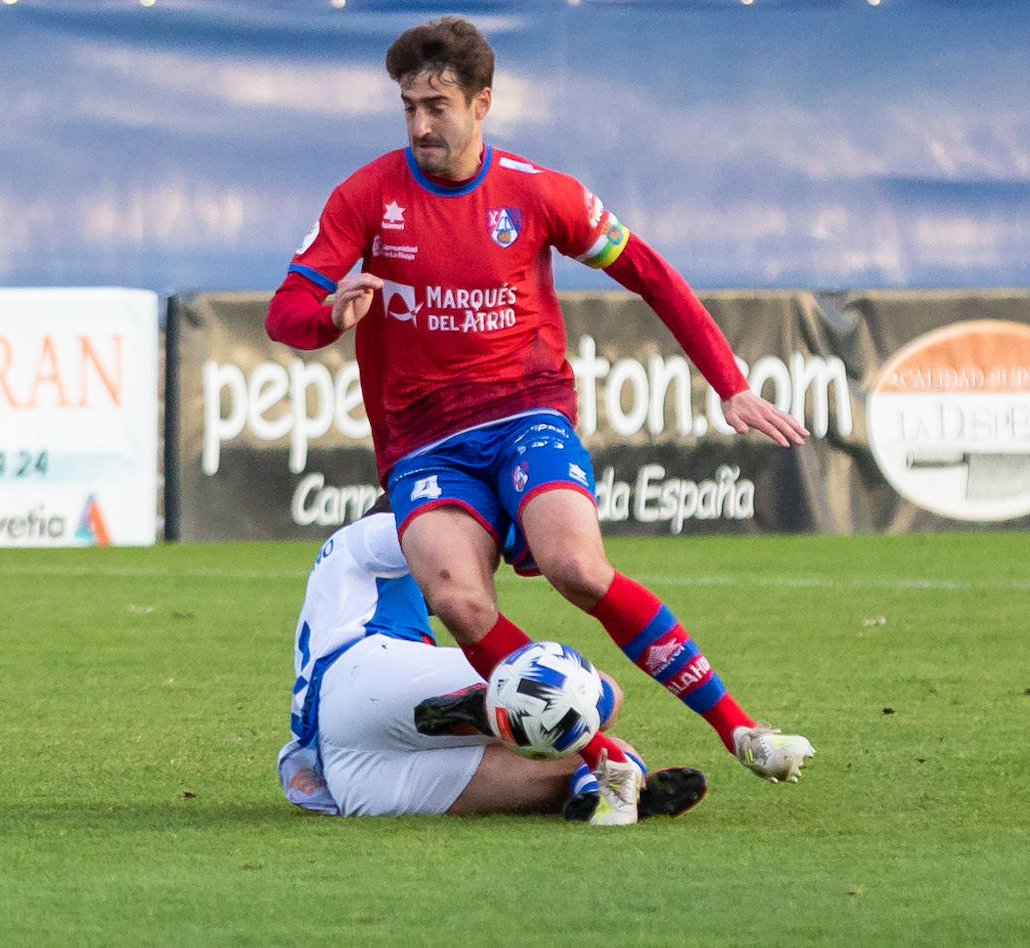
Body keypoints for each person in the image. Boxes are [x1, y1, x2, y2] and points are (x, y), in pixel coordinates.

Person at [266, 15, 814, 822]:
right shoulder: (366, 196)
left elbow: (652, 274)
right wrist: (328, 317)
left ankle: (742, 732)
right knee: (457, 599)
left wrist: (728, 384)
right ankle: (602, 756)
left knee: (577, 569)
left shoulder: (536, 191)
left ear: (482, 102)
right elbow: (287, 310)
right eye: (408, 107)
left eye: (438, 105)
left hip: (527, 413)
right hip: (423, 445)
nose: (420, 124)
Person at [278, 501, 707, 824]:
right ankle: (481, 707)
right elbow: (452, 543)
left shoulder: (344, 581)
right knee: (603, 694)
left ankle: (594, 789)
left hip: (351, 772)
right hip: (366, 675)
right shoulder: (375, 531)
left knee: (587, 751)